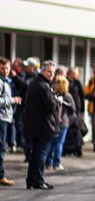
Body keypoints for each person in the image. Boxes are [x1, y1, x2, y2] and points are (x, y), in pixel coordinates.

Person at [23, 60, 59, 190]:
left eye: (53, 72)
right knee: (40, 154)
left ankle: (32, 180)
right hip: (43, 126)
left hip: (37, 125)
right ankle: (37, 180)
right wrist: (56, 100)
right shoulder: (42, 85)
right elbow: (50, 105)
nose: (51, 74)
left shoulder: (37, 83)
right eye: (49, 71)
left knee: (35, 154)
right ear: (43, 71)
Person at [45, 76, 75, 171]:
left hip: (53, 121)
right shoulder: (68, 96)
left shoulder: (53, 94)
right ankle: (56, 163)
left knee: (51, 143)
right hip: (63, 122)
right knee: (59, 143)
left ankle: (48, 163)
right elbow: (73, 109)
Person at [0, 57, 22, 186]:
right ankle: (1, 176)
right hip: (1, 118)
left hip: (6, 118)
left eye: (7, 68)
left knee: (2, 147)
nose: (5, 70)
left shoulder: (7, 81)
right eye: (2, 68)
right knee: (1, 148)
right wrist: (12, 100)